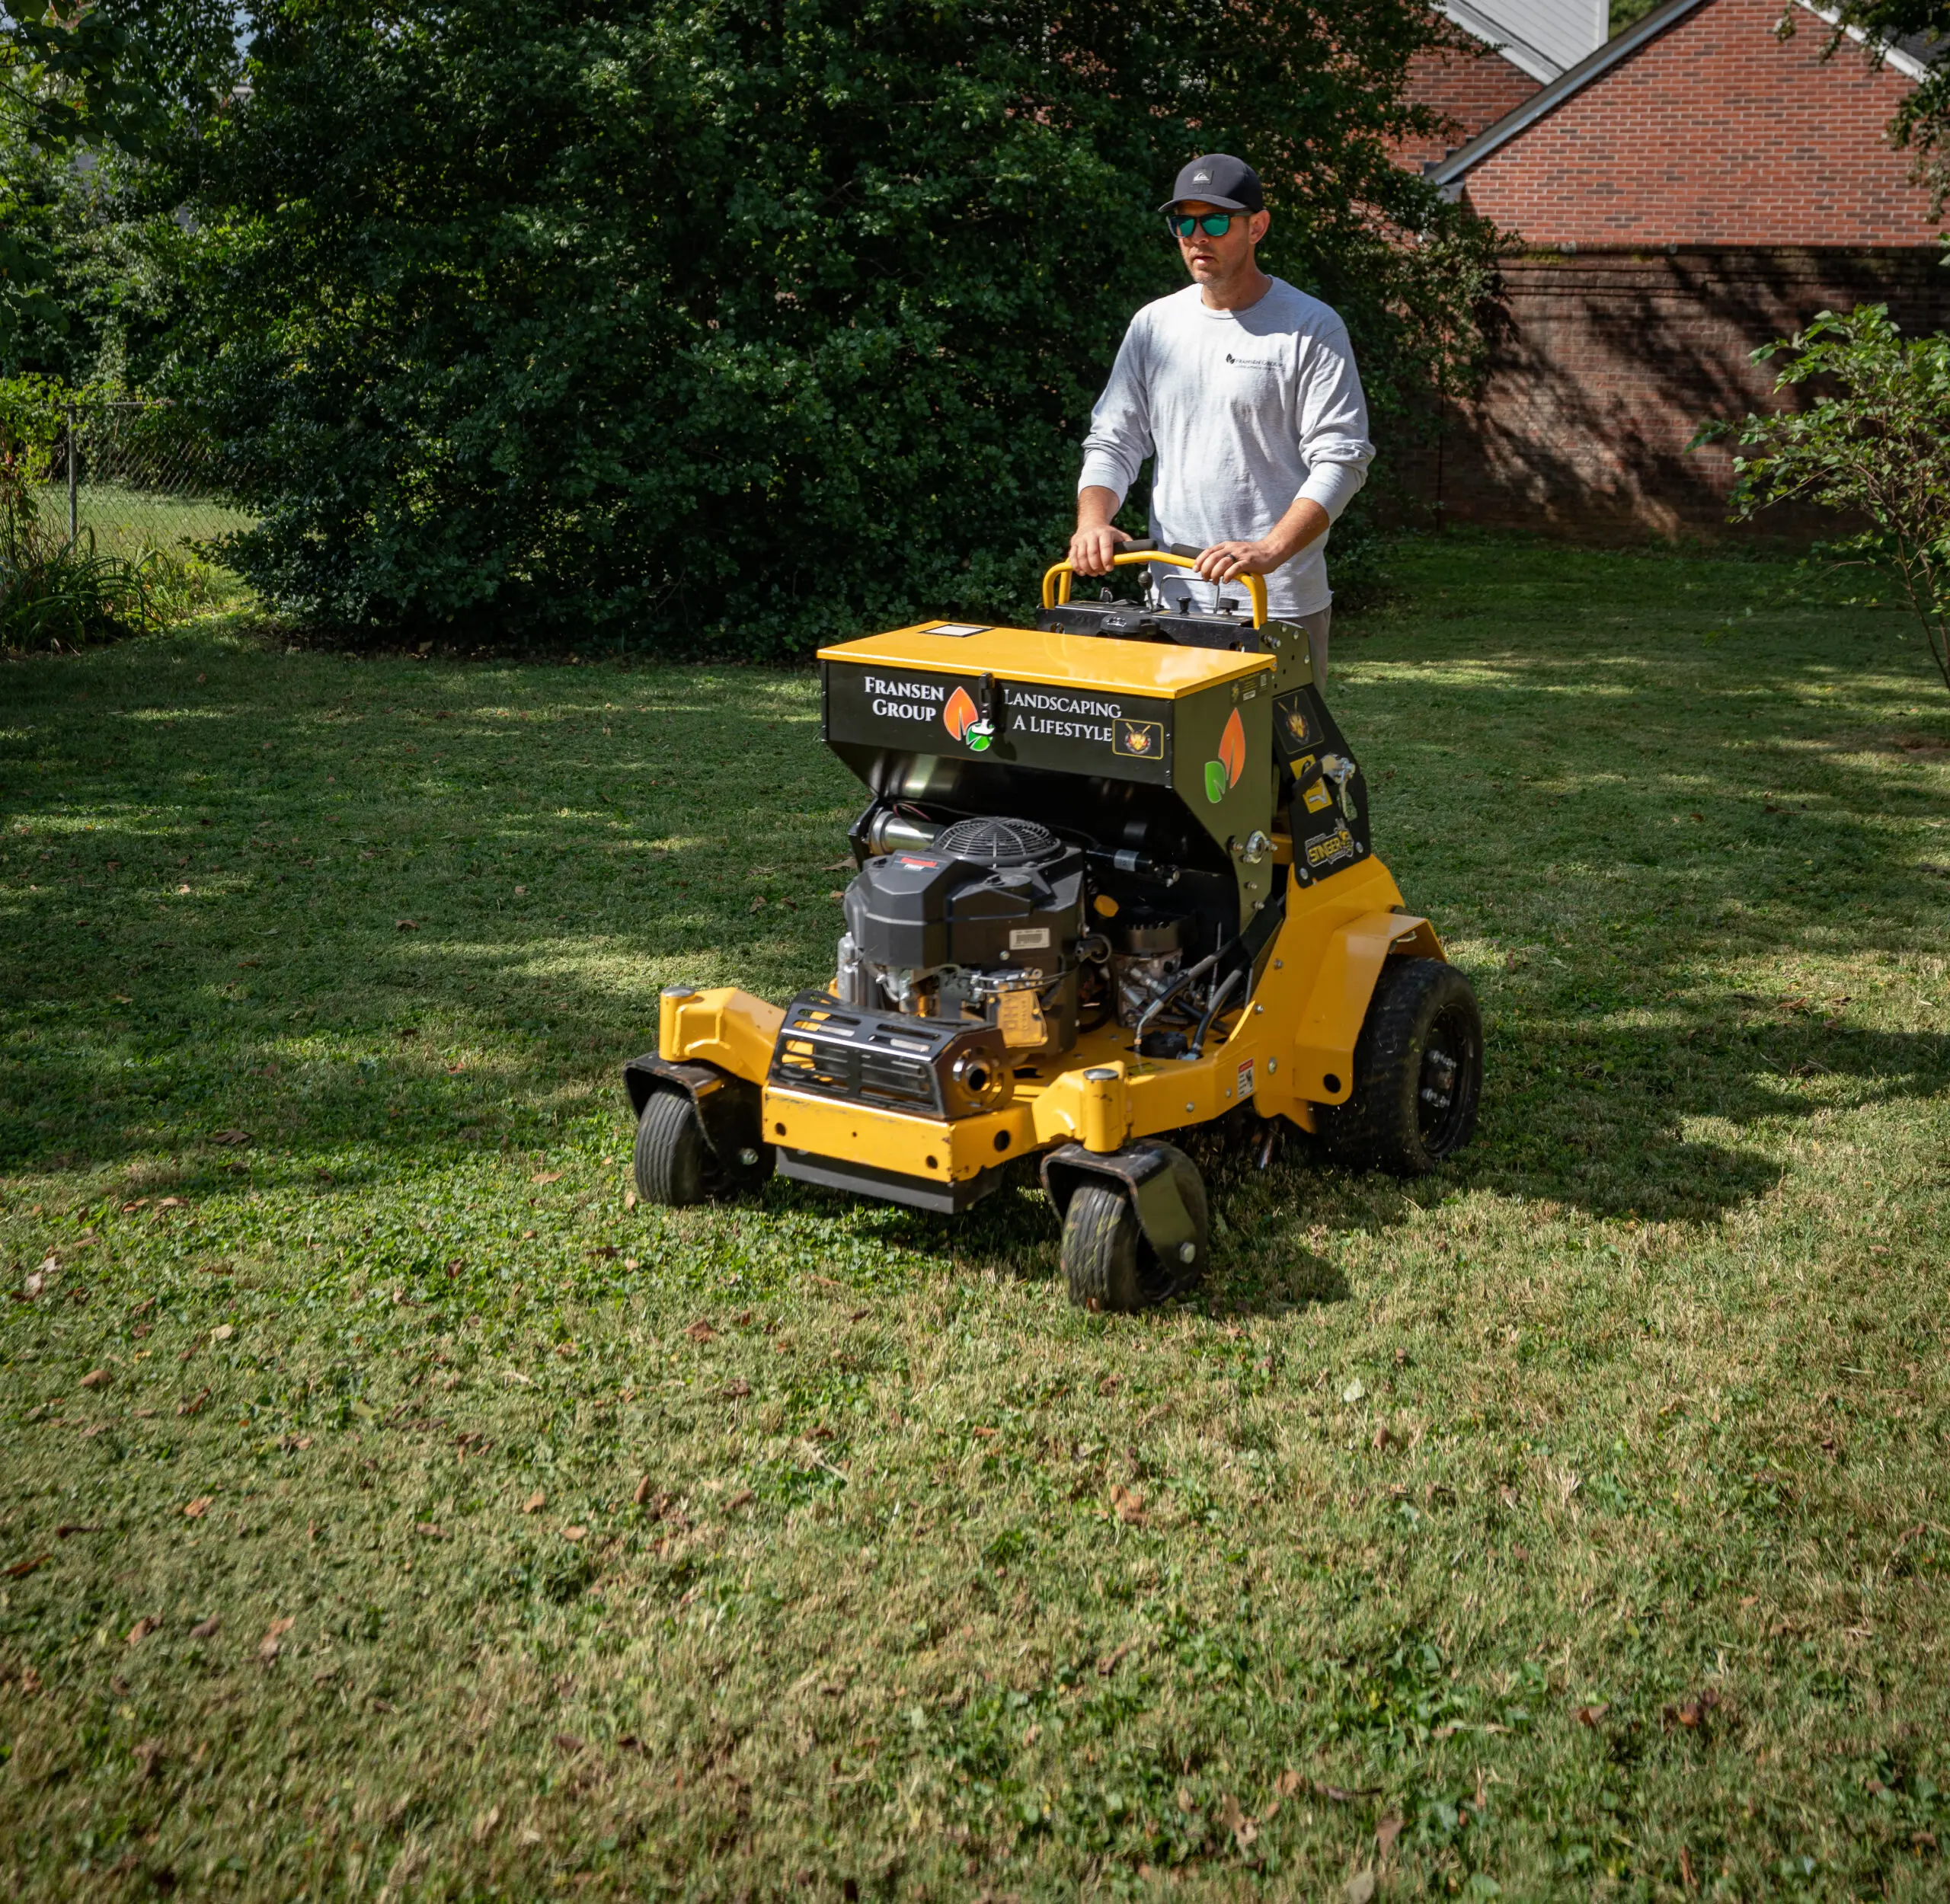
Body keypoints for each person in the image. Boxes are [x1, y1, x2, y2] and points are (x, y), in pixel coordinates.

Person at [1068, 153, 1373, 685]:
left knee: (1279, 766)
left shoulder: (1310, 327)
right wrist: (1092, 521)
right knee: (1173, 764)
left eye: (1214, 221)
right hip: (1172, 597)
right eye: (1183, 222)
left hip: (1275, 604)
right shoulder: (1155, 325)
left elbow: (1343, 459)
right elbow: (1114, 439)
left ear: (1257, 227)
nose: (1196, 237)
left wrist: (1270, 550)